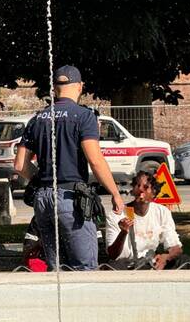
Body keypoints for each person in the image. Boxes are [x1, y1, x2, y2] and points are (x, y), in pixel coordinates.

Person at [14, 65, 124, 271]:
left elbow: (20, 165)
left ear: (54, 88)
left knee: (57, 269)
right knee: (85, 268)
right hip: (70, 200)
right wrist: (115, 193)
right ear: (80, 86)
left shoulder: (37, 119)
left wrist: (40, 180)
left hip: (43, 201)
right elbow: (95, 160)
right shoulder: (84, 116)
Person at [105, 171, 190, 270]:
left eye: (146, 187)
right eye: (138, 186)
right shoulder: (118, 215)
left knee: (184, 260)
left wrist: (165, 258)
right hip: (127, 265)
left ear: (154, 193)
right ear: (133, 190)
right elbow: (113, 255)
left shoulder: (162, 212)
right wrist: (123, 233)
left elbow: (175, 247)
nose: (141, 190)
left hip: (151, 262)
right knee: (113, 267)